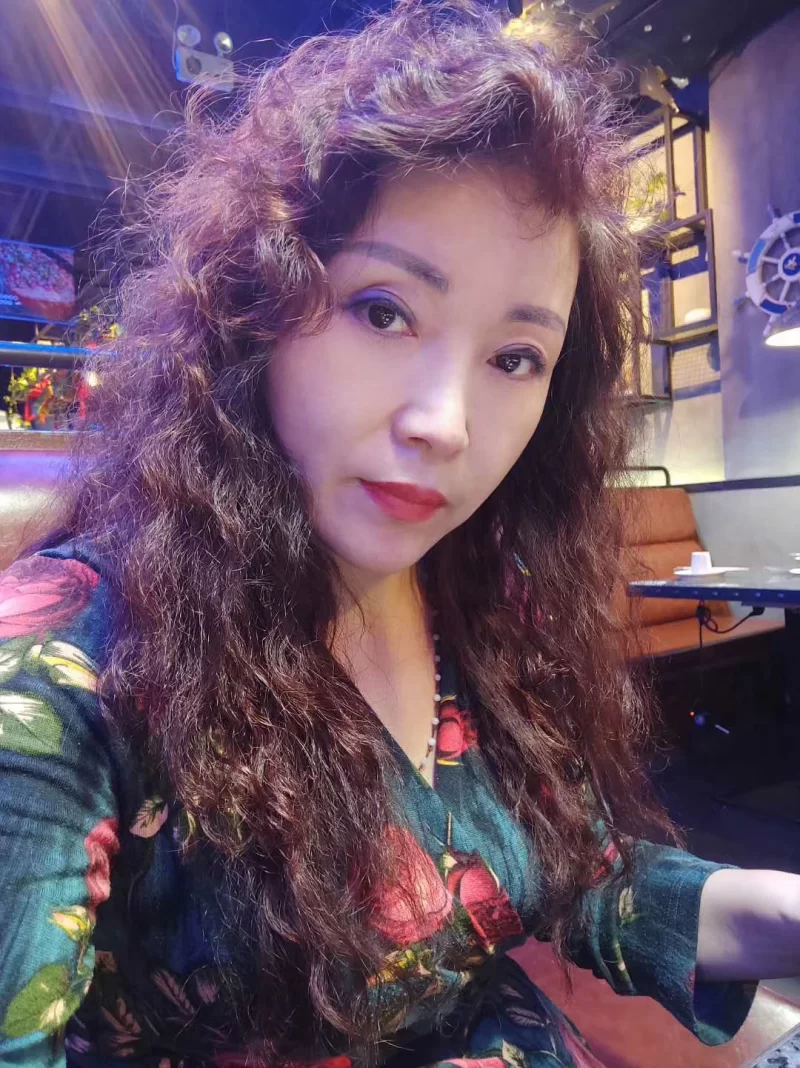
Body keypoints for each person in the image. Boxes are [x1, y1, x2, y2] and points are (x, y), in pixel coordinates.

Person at [1, 2, 798, 1065]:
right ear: (252, 308)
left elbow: (580, 878)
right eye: (383, 310)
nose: (446, 424)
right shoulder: (64, 668)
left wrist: (782, 910)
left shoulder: (474, 596)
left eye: (514, 358)